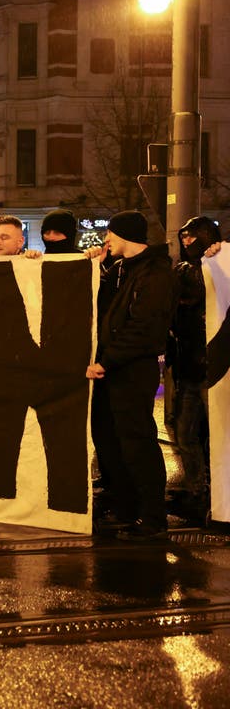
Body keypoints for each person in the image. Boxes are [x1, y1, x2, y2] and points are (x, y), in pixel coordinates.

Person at [84, 210, 176, 541]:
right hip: (112, 370)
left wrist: (106, 361)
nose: (106, 239)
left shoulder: (156, 274)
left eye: (110, 233)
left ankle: (152, 519)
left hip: (133, 370)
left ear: (125, 235)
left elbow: (145, 329)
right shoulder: (120, 270)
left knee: (138, 443)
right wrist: (93, 264)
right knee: (111, 441)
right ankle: (127, 509)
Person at [168, 216, 222, 525]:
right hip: (188, 366)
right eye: (184, 237)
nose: (188, 242)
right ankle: (197, 489)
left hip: (212, 367)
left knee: (213, 433)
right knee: (185, 432)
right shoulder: (181, 270)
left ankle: (216, 492)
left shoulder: (217, 265)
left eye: (193, 236)